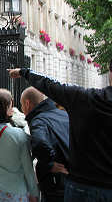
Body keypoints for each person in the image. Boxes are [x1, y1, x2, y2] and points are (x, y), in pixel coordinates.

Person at [8, 58, 112, 202]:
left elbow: (51, 85)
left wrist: (23, 72)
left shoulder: (85, 98)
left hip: (82, 185)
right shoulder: (78, 102)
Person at [0, 89, 39, 202]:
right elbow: (28, 169)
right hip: (15, 193)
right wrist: (34, 192)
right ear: (8, 110)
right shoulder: (19, 135)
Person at [21, 87, 70, 202]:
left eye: (22, 105)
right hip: (74, 177)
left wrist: (49, 164)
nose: (22, 109)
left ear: (27, 104)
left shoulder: (38, 120)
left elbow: (40, 142)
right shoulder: (64, 115)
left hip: (56, 183)